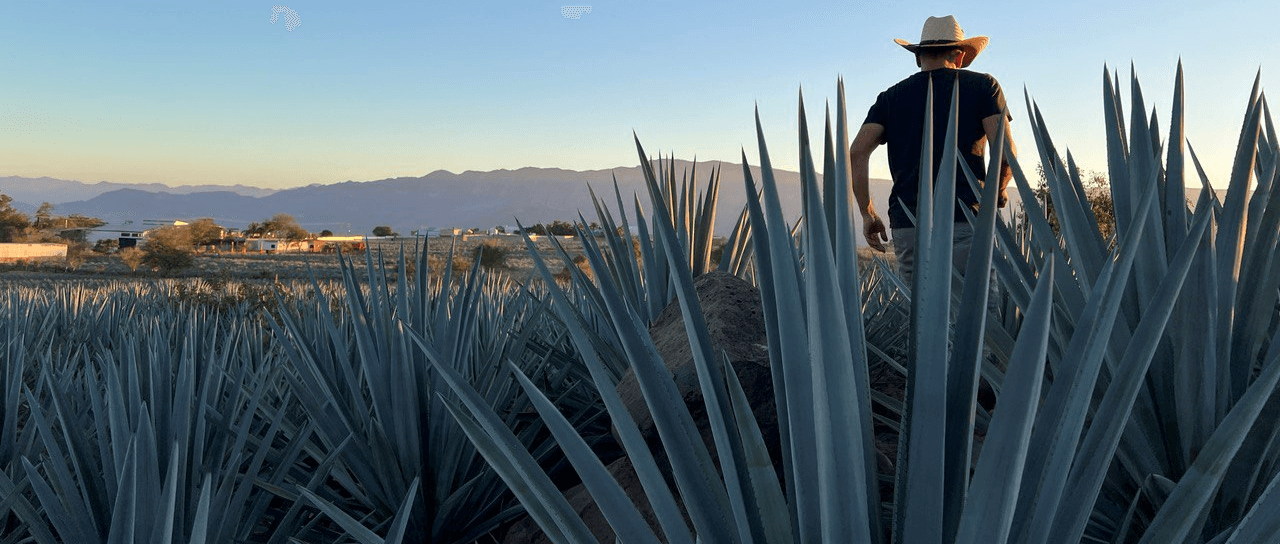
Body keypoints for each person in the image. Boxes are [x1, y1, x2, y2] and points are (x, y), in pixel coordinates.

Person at [850, 15, 1015, 285]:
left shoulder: (891, 97)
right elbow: (1005, 153)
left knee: (920, 315)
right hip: (965, 221)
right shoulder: (984, 86)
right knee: (976, 318)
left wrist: (868, 213)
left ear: (918, 57)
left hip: (908, 224)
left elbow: (857, 151)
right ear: (960, 56)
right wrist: (997, 190)